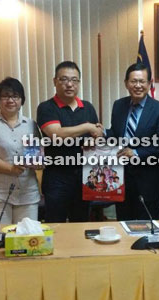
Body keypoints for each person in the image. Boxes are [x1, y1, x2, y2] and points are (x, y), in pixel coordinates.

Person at [36, 61, 103, 222]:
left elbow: (96, 138)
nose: (69, 84)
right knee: (55, 225)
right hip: (57, 178)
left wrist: (98, 135)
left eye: (74, 80)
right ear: (55, 81)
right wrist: (88, 126)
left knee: (81, 224)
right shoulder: (46, 108)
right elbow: (56, 134)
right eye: (64, 79)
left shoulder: (88, 107)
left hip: (85, 177)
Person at [105, 62, 159, 220]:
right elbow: (116, 134)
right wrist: (101, 133)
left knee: (148, 230)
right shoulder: (119, 105)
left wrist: (134, 152)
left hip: (148, 182)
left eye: (142, 81)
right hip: (121, 180)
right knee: (123, 224)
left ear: (149, 84)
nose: (138, 85)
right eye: (133, 81)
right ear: (126, 83)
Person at [0, 77, 41, 224]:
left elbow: (35, 153)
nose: (10, 100)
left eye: (15, 96)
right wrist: (10, 168)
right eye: (5, 96)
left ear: (22, 100)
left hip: (27, 193)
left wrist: (38, 163)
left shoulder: (30, 124)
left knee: (27, 237)